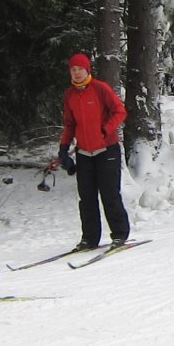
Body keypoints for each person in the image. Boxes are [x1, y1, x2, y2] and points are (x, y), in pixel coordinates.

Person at [58, 52, 131, 252]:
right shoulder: (70, 95)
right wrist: (63, 149)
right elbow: (69, 124)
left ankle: (120, 234)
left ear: (87, 70)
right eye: (73, 70)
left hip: (107, 149)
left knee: (109, 194)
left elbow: (120, 111)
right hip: (84, 154)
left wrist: (105, 129)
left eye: (80, 69)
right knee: (87, 198)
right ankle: (89, 239)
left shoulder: (100, 89)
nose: (77, 73)